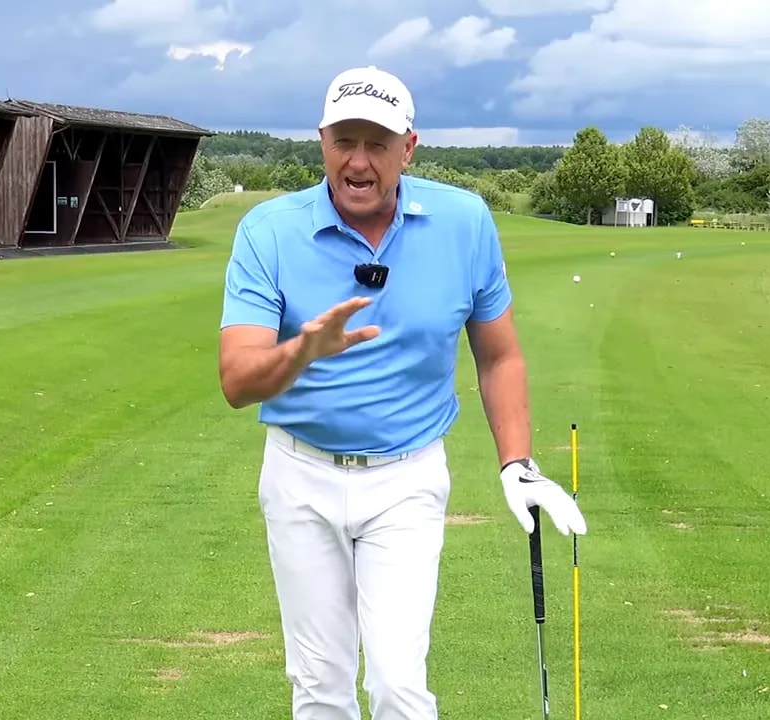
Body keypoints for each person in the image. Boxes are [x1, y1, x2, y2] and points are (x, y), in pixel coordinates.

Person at [217, 65, 588, 720]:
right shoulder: (268, 231)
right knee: (322, 689)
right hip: (301, 476)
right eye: (344, 141)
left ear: (408, 149)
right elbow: (237, 380)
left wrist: (517, 463)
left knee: (397, 686)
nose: (358, 163)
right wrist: (302, 349)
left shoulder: (463, 222)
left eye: (378, 144)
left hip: (407, 478)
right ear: (322, 141)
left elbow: (499, 355)